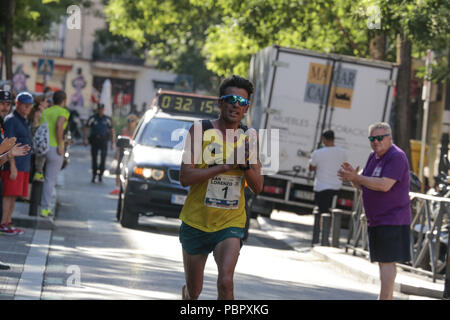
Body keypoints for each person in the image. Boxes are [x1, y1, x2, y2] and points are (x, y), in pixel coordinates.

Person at [179, 75, 263, 300]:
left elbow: (258, 186)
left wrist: (244, 165)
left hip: (230, 222)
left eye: (242, 102)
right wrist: (226, 165)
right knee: (194, 291)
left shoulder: (249, 137)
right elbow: (185, 177)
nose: (236, 104)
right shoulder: (200, 130)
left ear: (246, 109)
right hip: (196, 220)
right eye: (231, 99)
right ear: (220, 102)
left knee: (226, 282)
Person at [337, 122, 411, 300]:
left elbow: (384, 185)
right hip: (377, 219)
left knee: (386, 263)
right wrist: (353, 178)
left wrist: (358, 177)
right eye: (372, 138)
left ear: (390, 138)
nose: (376, 142)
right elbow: (363, 185)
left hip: (392, 218)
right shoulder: (373, 156)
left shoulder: (396, 156)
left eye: (380, 138)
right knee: (383, 263)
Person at [1, 92, 33, 235]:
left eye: (29, 105)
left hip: (23, 165)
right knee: (8, 195)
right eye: (24, 105)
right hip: (12, 164)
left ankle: (8, 222)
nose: (27, 108)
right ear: (18, 104)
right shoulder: (11, 120)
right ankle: (3, 223)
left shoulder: (24, 120)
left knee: (13, 195)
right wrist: (12, 165)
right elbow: (8, 143)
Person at [39, 90, 70, 217]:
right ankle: (44, 209)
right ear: (64, 101)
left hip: (42, 147)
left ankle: (38, 203)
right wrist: (61, 144)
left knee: (40, 176)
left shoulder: (46, 111)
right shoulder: (63, 112)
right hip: (54, 147)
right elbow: (59, 126)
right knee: (50, 180)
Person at [309, 130, 347, 214]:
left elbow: (311, 168)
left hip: (321, 187)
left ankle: (322, 226)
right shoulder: (342, 152)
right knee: (327, 211)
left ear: (323, 139)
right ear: (333, 139)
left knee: (322, 211)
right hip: (336, 187)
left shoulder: (318, 153)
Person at [83, 104, 115, 183]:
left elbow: (112, 131)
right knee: (94, 157)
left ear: (104, 109)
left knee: (103, 157)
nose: (100, 110)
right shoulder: (93, 118)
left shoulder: (107, 119)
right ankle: (94, 174)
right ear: (98, 109)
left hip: (104, 140)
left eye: (102, 109)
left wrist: (113, 142)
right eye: (99, 109)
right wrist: (85, 139)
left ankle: (101, 174)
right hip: (94, 140)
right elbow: (86, 128)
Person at [110, 114, 138, 195]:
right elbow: (120, 142)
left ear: (136, 122)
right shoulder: (124, 130)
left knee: (129, 172)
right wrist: (116, 153)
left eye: (132, 121)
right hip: (122, 152)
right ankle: (117, 188)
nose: (130, 122)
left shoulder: (137, 132)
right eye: (128, 120)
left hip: (132, 154)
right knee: (118, 170)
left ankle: (127, 189)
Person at [28, 94, 50, 182]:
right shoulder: (40, 113)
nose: (47, 103)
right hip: (36, 142)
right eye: (46, 101)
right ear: (41, 102)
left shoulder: (34, 111)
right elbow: (42, 126)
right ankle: (38, 172)